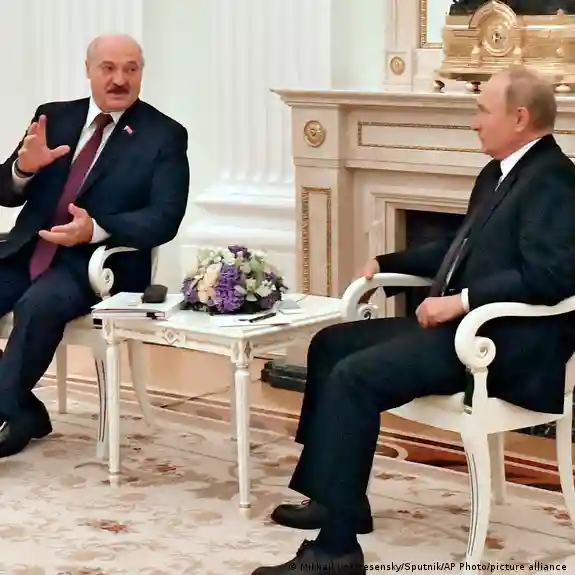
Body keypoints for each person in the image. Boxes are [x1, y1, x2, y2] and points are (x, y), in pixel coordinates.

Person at [254, 66, 575, 574]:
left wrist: (460, 301)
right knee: (331, 345)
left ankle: (336, 550)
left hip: (502, 347)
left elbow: (552, 276)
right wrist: (389, 262)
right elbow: (460, 245)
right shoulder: (499, 171)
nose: (474, 122)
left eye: (482, 111)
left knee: (354, 377)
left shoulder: (554, 179)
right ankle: (336, 499)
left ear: (519, 117)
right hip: (465, 333)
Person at [0, 34, 189, 458]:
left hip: (95, 268)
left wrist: (96, 229)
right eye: (108, 68)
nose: (120, 79)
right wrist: (22, 170)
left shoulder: (164, 135)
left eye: (130, 69)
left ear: (141, 73)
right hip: (29, 250)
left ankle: (4, 415)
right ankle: (23, 411)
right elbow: (5, 193)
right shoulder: (53, 117)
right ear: (88, 70)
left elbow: (165, 217)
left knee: (37, 306)